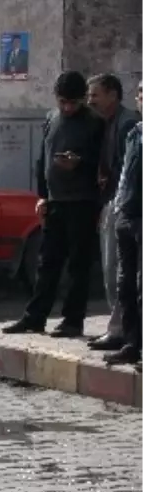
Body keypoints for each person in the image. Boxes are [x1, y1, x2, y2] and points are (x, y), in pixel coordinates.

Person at [4, 71, 105, 338]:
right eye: (63, 102)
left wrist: (79, 163)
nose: (67, 108)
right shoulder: (52, 118)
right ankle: (34, 317)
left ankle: (72, 321)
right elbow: (42, 160)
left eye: (73, 103)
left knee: (78, 266)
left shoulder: (95, 123)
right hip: (55, 201)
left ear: (82, 99)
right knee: (47, 262)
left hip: (82, 202)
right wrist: (42, 196)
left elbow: (103, 163)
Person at [85, 75, 138, 352]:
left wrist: (115, 201)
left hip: (122, 205)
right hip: (113, 202)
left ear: (113, 95)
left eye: (95, 94)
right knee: (115, 271)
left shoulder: (127, 123)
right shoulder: (108, 122)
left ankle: (120, 330)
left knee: (117, 271)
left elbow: (125, 169)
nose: (90, 100)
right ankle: (118, 328)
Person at [107, 81, 143, 367]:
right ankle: (131, 344)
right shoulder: (135, 133)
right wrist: (119, 205)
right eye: (141, 92)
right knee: (125, 285)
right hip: (127, 215)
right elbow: (124, 174)